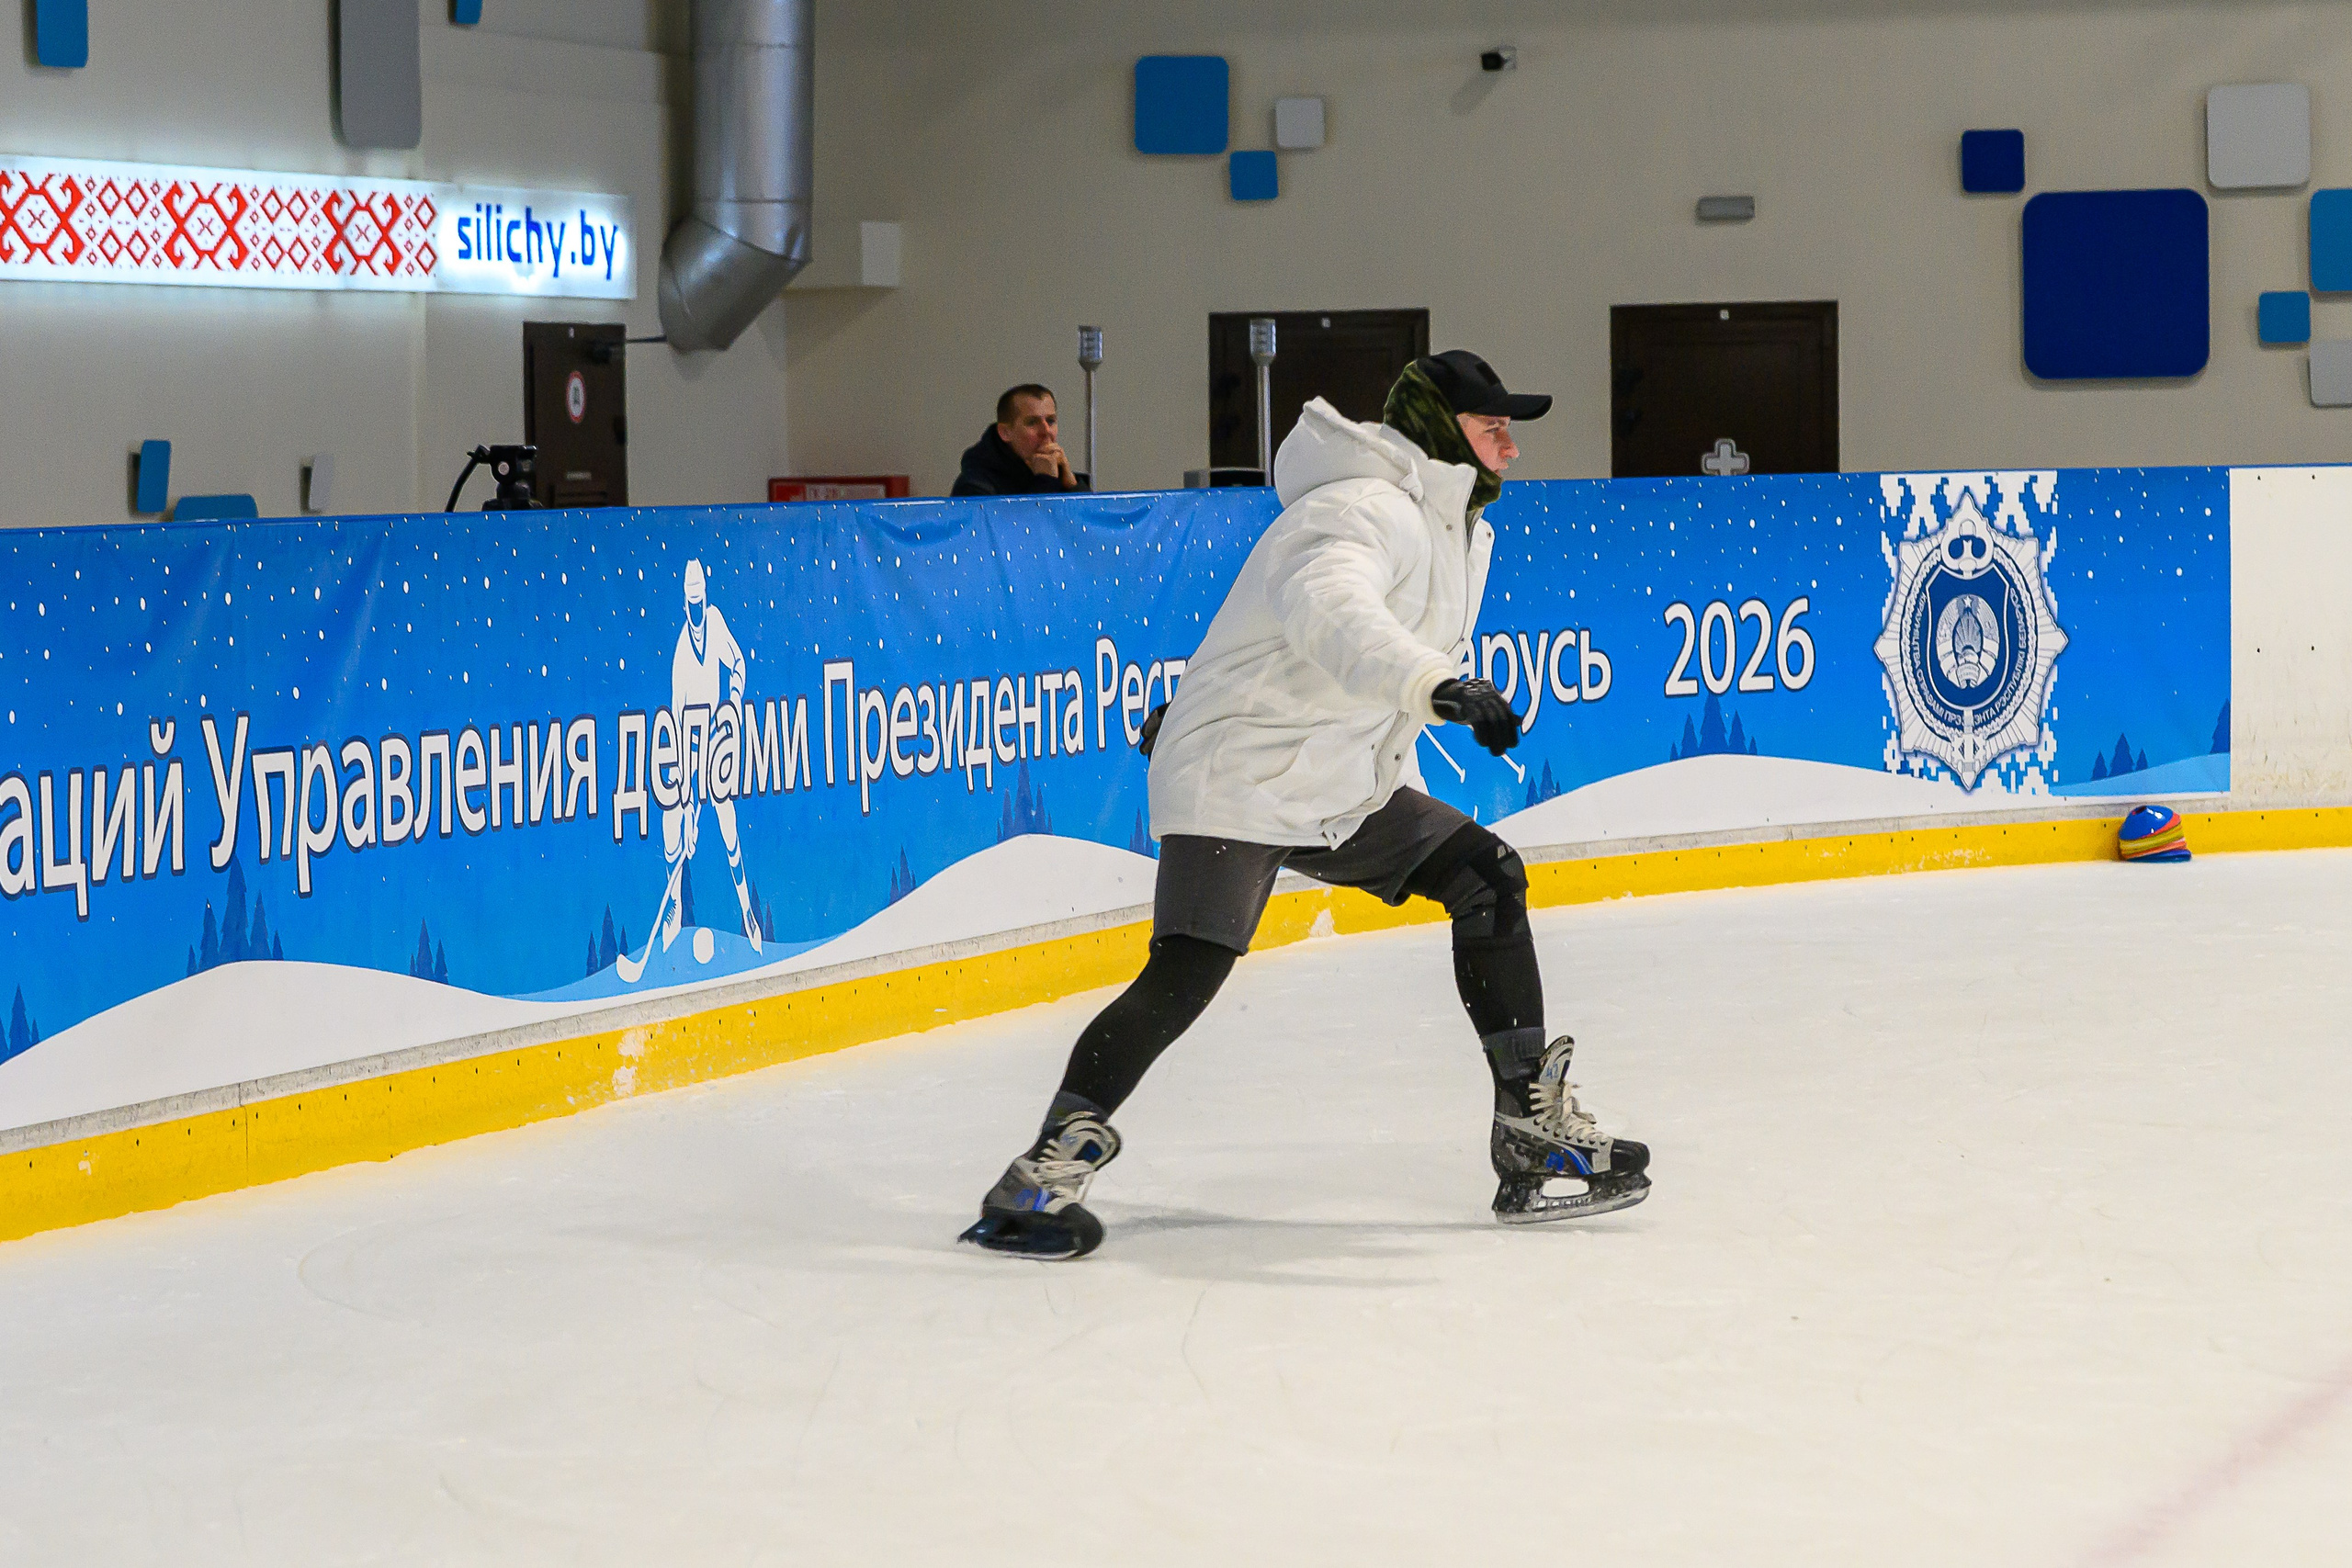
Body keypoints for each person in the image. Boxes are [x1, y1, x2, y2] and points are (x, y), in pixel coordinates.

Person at [960, 350, 1652, 1259]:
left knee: (1487, 875)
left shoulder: (1454, 529)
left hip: (1335, 782)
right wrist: (1435, 684)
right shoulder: (1358, 510)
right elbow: (1331, 614)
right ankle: (1036, 1178)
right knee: (1186, 973)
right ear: (1442, 431)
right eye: (1493, 429)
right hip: (1239, 776)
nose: (1511, 449)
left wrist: (1412, 716)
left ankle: (1527, 1130)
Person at [951, 384, 1091, 496]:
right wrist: (1046, 481)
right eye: (1032, 422)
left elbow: (1092, 522)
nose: (1046, 431)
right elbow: (1021, 523)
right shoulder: (974, 486)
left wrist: (1073, 486)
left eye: (1050, 421)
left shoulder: (1056, 475)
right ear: (1005, 432)